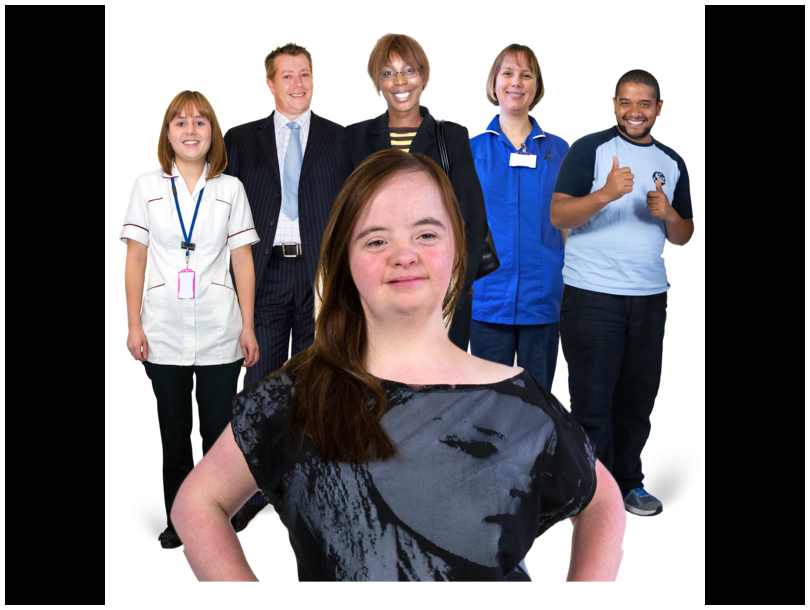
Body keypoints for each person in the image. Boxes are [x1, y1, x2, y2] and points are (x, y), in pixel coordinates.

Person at [171, 149, 627, 582]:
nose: (404, 254)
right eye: (375, 240)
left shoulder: (523, 403)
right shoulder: (297, 393)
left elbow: (603, 500)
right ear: (345, 260)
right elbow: (198, 502)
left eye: (426, 233)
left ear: (457, 248)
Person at [550, 69, 694, 518]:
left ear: (658, 108)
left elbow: (683, 236)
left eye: (645, 104)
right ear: (614, 105)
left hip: (650, 298)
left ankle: (629, 484)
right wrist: (607, 193)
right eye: (627, 103)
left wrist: (669, 213)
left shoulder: (672, 161)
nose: (635, 112)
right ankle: (592, 492)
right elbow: (558, 215)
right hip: (592, 294)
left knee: (637, 399)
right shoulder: (588, 149)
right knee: (592, 401)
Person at [121, 90, 260, 550]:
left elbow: (242, 261)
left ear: (212, 133)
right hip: (162, 328)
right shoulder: (146, 186)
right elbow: (135, 258)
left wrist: (248, 325)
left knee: (221, 438)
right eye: (179, 123)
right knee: (175, 435)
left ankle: (224, 522)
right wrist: (133, 325)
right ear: (167, 135)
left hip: (222, 328)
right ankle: (178, 523)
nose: (190, 130)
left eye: (200, 122)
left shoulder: (230, 189)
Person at [222, 43, 344, 527]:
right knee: (261, 386)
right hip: (263, 273)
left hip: (320, 277)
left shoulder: (341, 138)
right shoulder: (239, 140)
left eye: (306, 74)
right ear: (270, 84)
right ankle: (252, 493)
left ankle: (316, 488)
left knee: (322, 385)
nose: (298, 84)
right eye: (287, 76)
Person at [336, 32, 494, 352]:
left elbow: (472, 218)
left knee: (441, 391)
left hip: (441, 290)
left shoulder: (452, 136)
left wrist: (457, 291)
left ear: (423, 76)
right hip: (379, 290)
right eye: (388, 73)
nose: (400, 81)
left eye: (409, 70)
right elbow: (343, 217)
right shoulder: (355, 137)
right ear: (376, 82)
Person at [469, 44, 570, 392]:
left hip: (542, 298)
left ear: (537, 86)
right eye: (507, 73)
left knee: (538, 404)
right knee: (484, 404)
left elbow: (570, 226)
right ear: (494, 83)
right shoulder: (472, 150)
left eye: (526, 75)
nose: (516, 82)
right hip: (485, 297)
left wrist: (571, 291)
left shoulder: (559, 151)